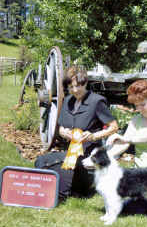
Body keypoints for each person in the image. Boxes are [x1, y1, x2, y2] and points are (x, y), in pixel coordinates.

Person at [35, 65, 118, 199]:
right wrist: (64, 132)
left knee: (51, 164)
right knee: (41, 161)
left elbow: (113, 127)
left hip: (87, 156)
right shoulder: (67, 101)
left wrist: (93, 136)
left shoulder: (97, 101)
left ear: (85, 83)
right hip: (69, 153)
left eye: (77, 86)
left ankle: (62, 193)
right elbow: (61, 128)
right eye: (70, 87)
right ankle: (50, 190)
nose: (74, 90)